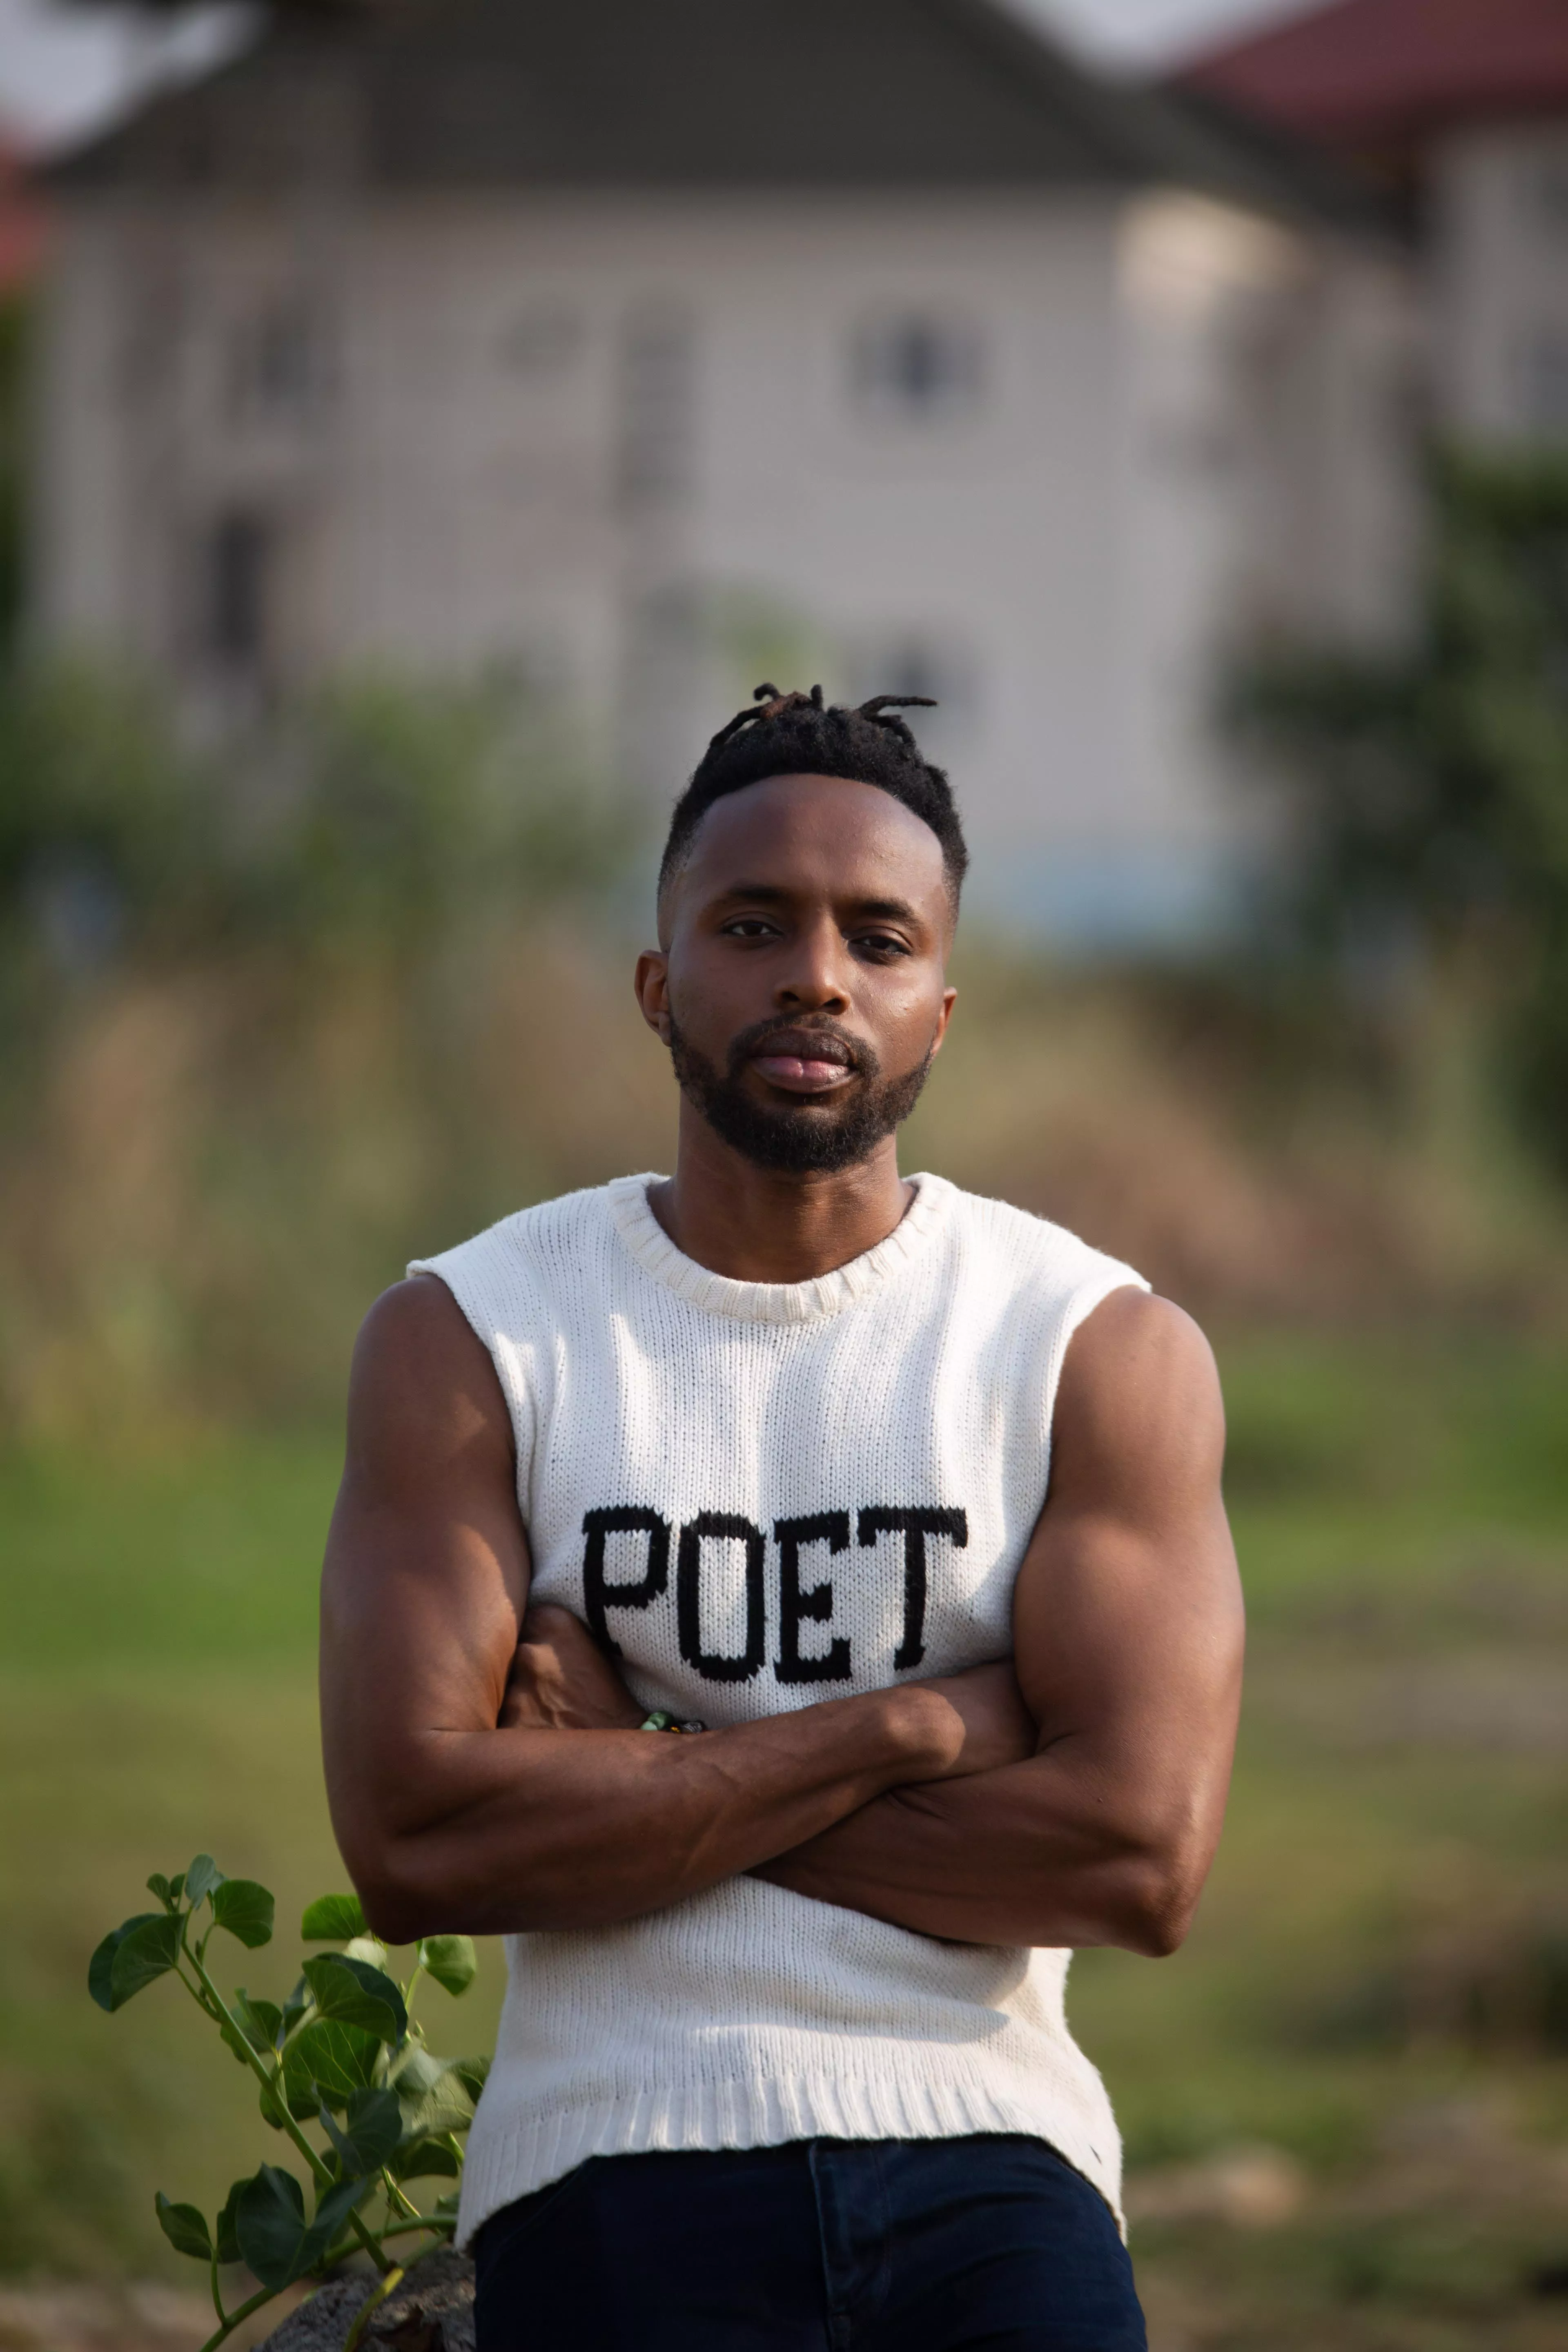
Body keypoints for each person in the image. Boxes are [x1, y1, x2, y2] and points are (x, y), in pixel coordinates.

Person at [319, 685, 1244, 2352]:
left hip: (992, 2157)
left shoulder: (1090, 1347)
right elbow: (415, 1845)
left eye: (876, 937)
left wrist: (642, 1754)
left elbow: (1138, 1860)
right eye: (755, 924)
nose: (816, 973)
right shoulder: (474, 1337)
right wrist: (905, 1726)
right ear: (662, 982)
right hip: (609, 2155)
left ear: (940, 1009)